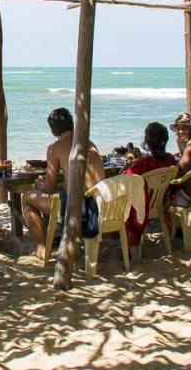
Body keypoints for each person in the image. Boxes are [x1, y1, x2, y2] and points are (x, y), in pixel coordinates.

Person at [22, 108, 104, 261]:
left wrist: (40, 186)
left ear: (53, 131)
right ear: (72, 124)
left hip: (78, 206)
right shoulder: (89, 143)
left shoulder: (55, 148)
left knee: (27, 198)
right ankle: (52, 237)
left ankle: (41, 247)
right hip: (99, 202)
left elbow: (49, 188)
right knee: (57, 194)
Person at [124, 122, 177, 246]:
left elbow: (127, 180)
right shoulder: (170, 160)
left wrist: (127, 166)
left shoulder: (142, 166)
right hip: (162, 201)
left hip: (144, 205)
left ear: (147, 141)